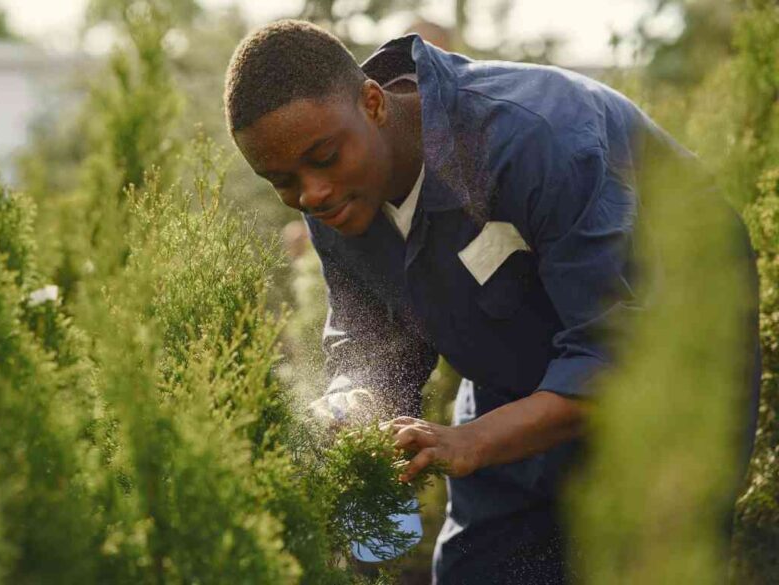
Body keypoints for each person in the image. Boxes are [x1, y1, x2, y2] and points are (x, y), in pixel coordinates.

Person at [223, 20, 760, 584]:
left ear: (373, 103)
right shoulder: (335, 196)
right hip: (520, 353)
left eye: (324, 158)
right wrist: (353, 401)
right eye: (281, 180)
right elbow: (372, 342)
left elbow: (614, 351)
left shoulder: (536, 137)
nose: (311, 193)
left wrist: (472, 440)